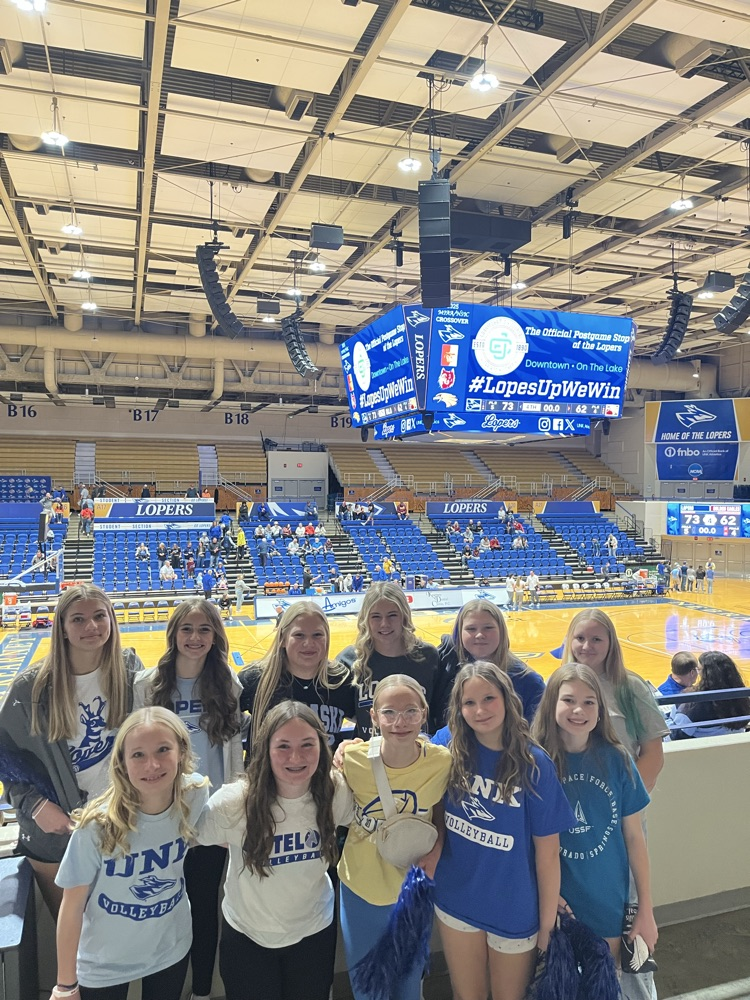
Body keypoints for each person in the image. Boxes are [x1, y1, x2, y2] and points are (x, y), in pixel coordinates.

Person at [0, 585, 142, 920]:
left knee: (116, 938)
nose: (91, 626)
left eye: (99, 616)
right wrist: (33, 805)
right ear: (61, 627)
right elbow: (5, 758)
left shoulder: (129, 670)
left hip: (120, 827)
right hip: (56, 837)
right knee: (73, 945)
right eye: (78, 619)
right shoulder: (30, 689)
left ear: (111, 620)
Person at [433, 663, 574, 1000]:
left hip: (513, 908)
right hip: (456, 898)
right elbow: (404, 762)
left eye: (488, 698)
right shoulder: (445, 746)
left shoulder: (534, 763)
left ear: (507, 699)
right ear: (459, 707)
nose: (479, 710)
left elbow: (548, 853)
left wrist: (545, 925)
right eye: (469, 703)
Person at [196, 702, 352, 1000]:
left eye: (308, 744)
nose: (296, 756)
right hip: (247, 938)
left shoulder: (336, 791)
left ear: (323, 745)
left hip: (313, 933)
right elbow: (188, 834)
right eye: (283, 746)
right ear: (265, 749)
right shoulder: (233, 802)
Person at [53, 707, 209, 1000]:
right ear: (122, 762)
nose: (152, 764)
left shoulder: (195, 794)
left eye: (163, 749)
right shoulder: (95, 828)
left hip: (169, 949)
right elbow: (71, 907)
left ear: (182, 753)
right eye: (138, 754)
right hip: (104, 963)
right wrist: (65, 984)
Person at [133, 600, 243, 1000]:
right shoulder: (147, 686)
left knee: (202, 910)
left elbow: (232, 757)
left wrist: (231, 810)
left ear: (215, 636)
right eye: (187, 629)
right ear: (174, 633)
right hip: (160, 818)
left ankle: (200, 992)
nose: (195, 638)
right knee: (159, 910)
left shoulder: (227, 684)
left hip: (209, 819)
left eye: (205, 630)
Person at [560, 609, 668, 1000]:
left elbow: (653, 756)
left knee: (631, 922)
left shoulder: (630, 686)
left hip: (624, 825)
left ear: (611, 644)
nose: (587, 647)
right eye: (580, 638)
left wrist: (623, 806)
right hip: (574, 833)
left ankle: (638, 993)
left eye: (596, 639)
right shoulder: (557, 686)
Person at [532, 664, 657, 968]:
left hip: (607, 903)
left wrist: (646, 909)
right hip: (554, 903)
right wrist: (548, 903)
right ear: (551, 705)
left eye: (589, 702)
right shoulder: (534, 762)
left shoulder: (617, 759)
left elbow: (634, 837)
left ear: (600, 710)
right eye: (569, 700)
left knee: (603, 984)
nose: (579, 709)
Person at [338, 675, 451, 1000]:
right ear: (373, 717)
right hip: (361, 889)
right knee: (368, 988)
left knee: (408, 986)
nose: (400, 722)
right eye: (389, 712)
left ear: (424, 713)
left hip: (411, 889)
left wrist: (437, 849)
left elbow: (442, 808)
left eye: (410, 711)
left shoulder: (441, 762)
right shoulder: (353, 759)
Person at [240, 602, 357, 749]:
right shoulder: (255, 679)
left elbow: (367, 721)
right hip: (264, 772)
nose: (309, 643)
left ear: (327, 637)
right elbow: (219, 721)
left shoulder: (342, 681)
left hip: (326, 772)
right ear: (283, 639)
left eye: (317, 635)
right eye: (299, 635)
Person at [334, 582, 443, 737]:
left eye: (392, 615)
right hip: (369, 755)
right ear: (365, 619)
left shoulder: (428, 657)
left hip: (420, 755)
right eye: (376, 617)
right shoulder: (350, 660)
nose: (384, 624)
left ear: (404, 616)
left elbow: (438, 709)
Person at [433, 599, 544, 729]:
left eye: (488, 628)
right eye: (471, 629)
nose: (480, 635)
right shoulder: (445, 669)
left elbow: (538, 736)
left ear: (502, 631)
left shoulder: (528, 682)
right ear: (459, 634)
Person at [670, 651, 750, 740]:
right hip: (736, 747)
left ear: (706, 674)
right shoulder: (742, 697)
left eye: (699, 669)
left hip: (702, 750)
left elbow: (676, 735)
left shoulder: (692, 703)